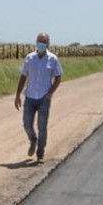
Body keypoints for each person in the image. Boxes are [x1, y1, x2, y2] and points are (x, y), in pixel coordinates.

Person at [14, 32, 63, 163]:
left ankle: (40, 153)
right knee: (26, 124)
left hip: (44, 98)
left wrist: (50, 93)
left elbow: (58, 77)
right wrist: (18, 94)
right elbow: (23, 76)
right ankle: (33, 139)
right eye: (39, 41)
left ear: (48, 44)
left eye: (43, 42)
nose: (41, 44)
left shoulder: (53, 59)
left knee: (42, 126)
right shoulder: (29, 58)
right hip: (29, 97)